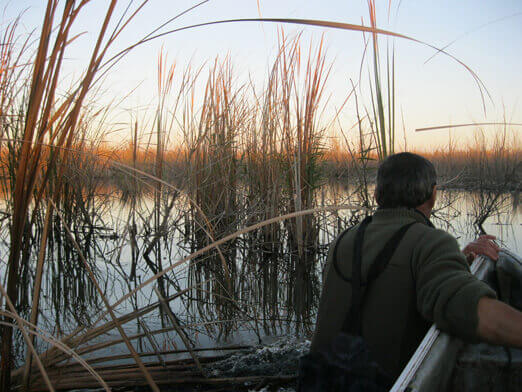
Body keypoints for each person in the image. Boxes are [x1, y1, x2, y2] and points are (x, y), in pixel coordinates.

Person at [310, 152, 522, 381]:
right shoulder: (430, 241)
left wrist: (460, 259)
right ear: (433, 195)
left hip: (318, 381)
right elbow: (469, 311)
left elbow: (389, 281)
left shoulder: (343, 239)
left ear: (377, 194)